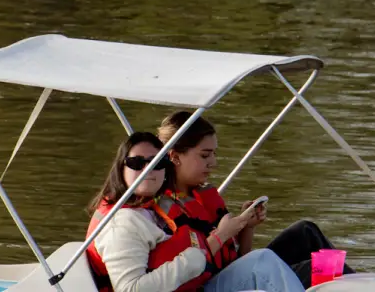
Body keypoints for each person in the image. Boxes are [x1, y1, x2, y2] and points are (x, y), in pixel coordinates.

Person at [86, 131, 305, 292]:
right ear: (121, 168)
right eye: (136, 162)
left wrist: (244, 228)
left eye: (157, 162)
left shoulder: (153, 209)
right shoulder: (122, 222)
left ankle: (318, 272)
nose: (148, 170)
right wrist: (203, 251)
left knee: (292, 243)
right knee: (263, 262)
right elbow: (130, 290)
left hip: (195, 285)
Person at [157, 112, 356, 287]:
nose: (213, 163)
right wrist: (222, 235)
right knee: (316, 269)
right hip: (208, 286)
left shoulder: (202, 196)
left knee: (306, 231)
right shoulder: (160, 212)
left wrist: (247, 227)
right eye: (205, 155)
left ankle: (359, 283)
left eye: (214, 154)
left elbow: (241, 260)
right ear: (175, 157)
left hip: (236, 276)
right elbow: (183, 274)